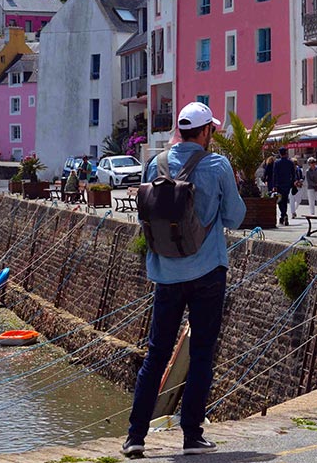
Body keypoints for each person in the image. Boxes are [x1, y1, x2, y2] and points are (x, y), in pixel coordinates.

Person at [122, 102, 245, 458]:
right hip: (207, 272)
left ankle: (135, 437)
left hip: (166, 273)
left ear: (179, 131)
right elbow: (235, 217)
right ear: (206, 132)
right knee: (202, 353)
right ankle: (192, 436)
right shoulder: (217, 164)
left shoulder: (154, 165)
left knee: (156, 354)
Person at [272, 147, 295, 225]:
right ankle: (283, 215)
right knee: (285, 199)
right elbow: (293, 174)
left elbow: (274, 174)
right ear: (286, 153)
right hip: (287, 184)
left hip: (279, 184)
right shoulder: (290, 162)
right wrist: (292, 183)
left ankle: (283, 215)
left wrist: (274, 185)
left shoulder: (277, 163)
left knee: (280, 201)